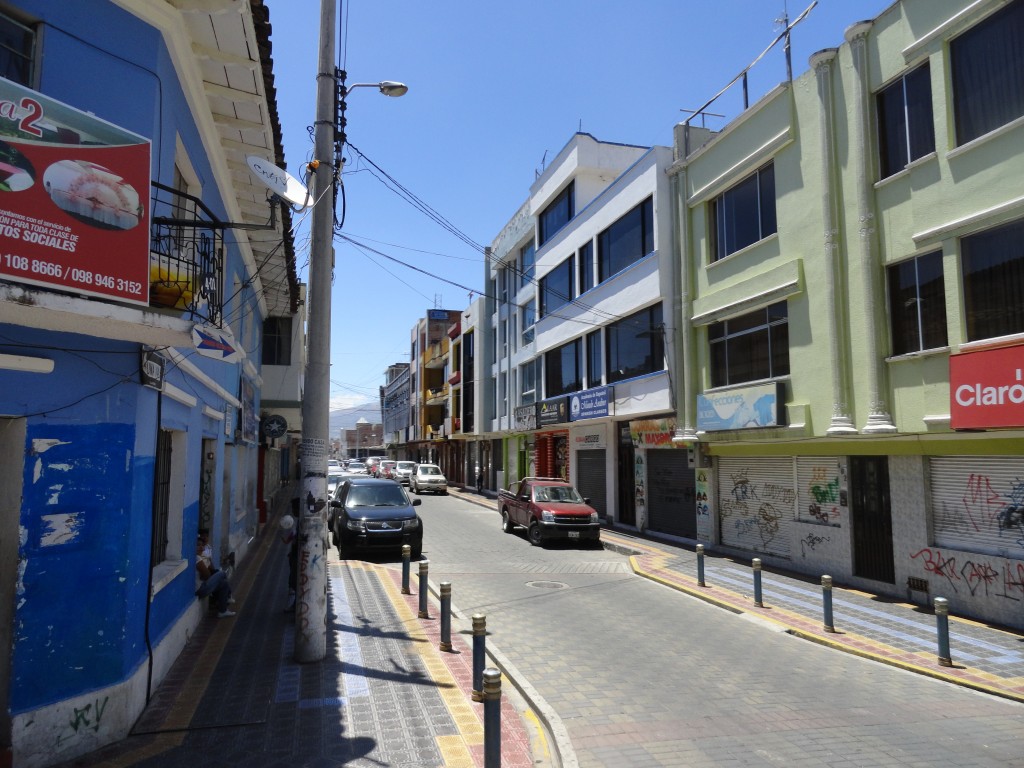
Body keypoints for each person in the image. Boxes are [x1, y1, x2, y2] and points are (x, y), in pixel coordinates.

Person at [195, 532, 235, 618]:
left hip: (204, 585)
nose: (201, 547)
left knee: (223, 583)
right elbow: (207, 574)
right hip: (201, 589)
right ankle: (228, 596)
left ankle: (222, 610)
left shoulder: (202, 556)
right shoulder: (196, 558)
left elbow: (211, 569)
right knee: (222, 573)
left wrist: (207, 560)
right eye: (198, 545)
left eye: (202, 545)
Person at [280, 506, 298, 612]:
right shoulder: (296, 524)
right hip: (293, 556)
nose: (293, 511)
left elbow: (295, 538)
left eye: (295, 508)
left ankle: (293, 605)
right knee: (293, 578)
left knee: (294, 579)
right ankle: (293, 604)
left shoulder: (301, 524)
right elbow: (291, 537)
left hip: (296, 557)